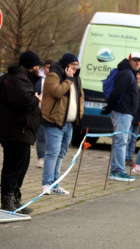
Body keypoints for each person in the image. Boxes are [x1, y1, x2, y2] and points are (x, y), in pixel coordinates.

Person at [0, 51, 42, 213]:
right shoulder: (18, 79)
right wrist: (36, 99)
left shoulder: (20, 78)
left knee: (22, 165)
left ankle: (15, 197)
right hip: (17, 130)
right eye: (37, 65)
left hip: (20, 130)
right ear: (31, 66)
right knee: (13, 166)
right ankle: (7, 199)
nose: (39, 68)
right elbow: (24, 101)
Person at [41, 53, 84, 195]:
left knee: (61, 153)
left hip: (69, 123)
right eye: (72, 65)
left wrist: (80, 113)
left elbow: (80, 97)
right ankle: (46, 184)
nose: (75, 68)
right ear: (66, 65)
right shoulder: (54, 76)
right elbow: (57, 92)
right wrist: (68, 79)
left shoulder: (76, 78)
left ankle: (55, 184)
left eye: (77, 65)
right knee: (53, 153)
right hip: (55, 122)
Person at [100, 51, 140, 182]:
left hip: (125, 112)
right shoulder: (126, 74)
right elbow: (116, 93)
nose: (137, 63)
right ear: (130, 60)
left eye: (139, 61)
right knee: (121, 142)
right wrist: (109, 107)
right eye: (135, 60)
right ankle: (118, 171)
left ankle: (115, 170)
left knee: (120, 141)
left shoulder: (129, 73)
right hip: (122, 112)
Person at [125, 68, 140, 176]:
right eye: (136, 74)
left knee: (134, 138)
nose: (138, 76)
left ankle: (129, 157)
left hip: (138, 117)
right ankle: (125, 157)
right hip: (130, 115)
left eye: (139, 74)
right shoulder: (131, 85)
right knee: (127, 138)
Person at [34, 59, 54, 168]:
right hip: (41, 111)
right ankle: (41, 158)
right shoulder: (38, 79)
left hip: (52, 112)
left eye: (51, 67)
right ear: (44, 68)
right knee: (41, 136)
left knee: (51, 137)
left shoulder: (57, 79)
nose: (49, 70)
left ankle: (50, 158)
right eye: (47, 67)